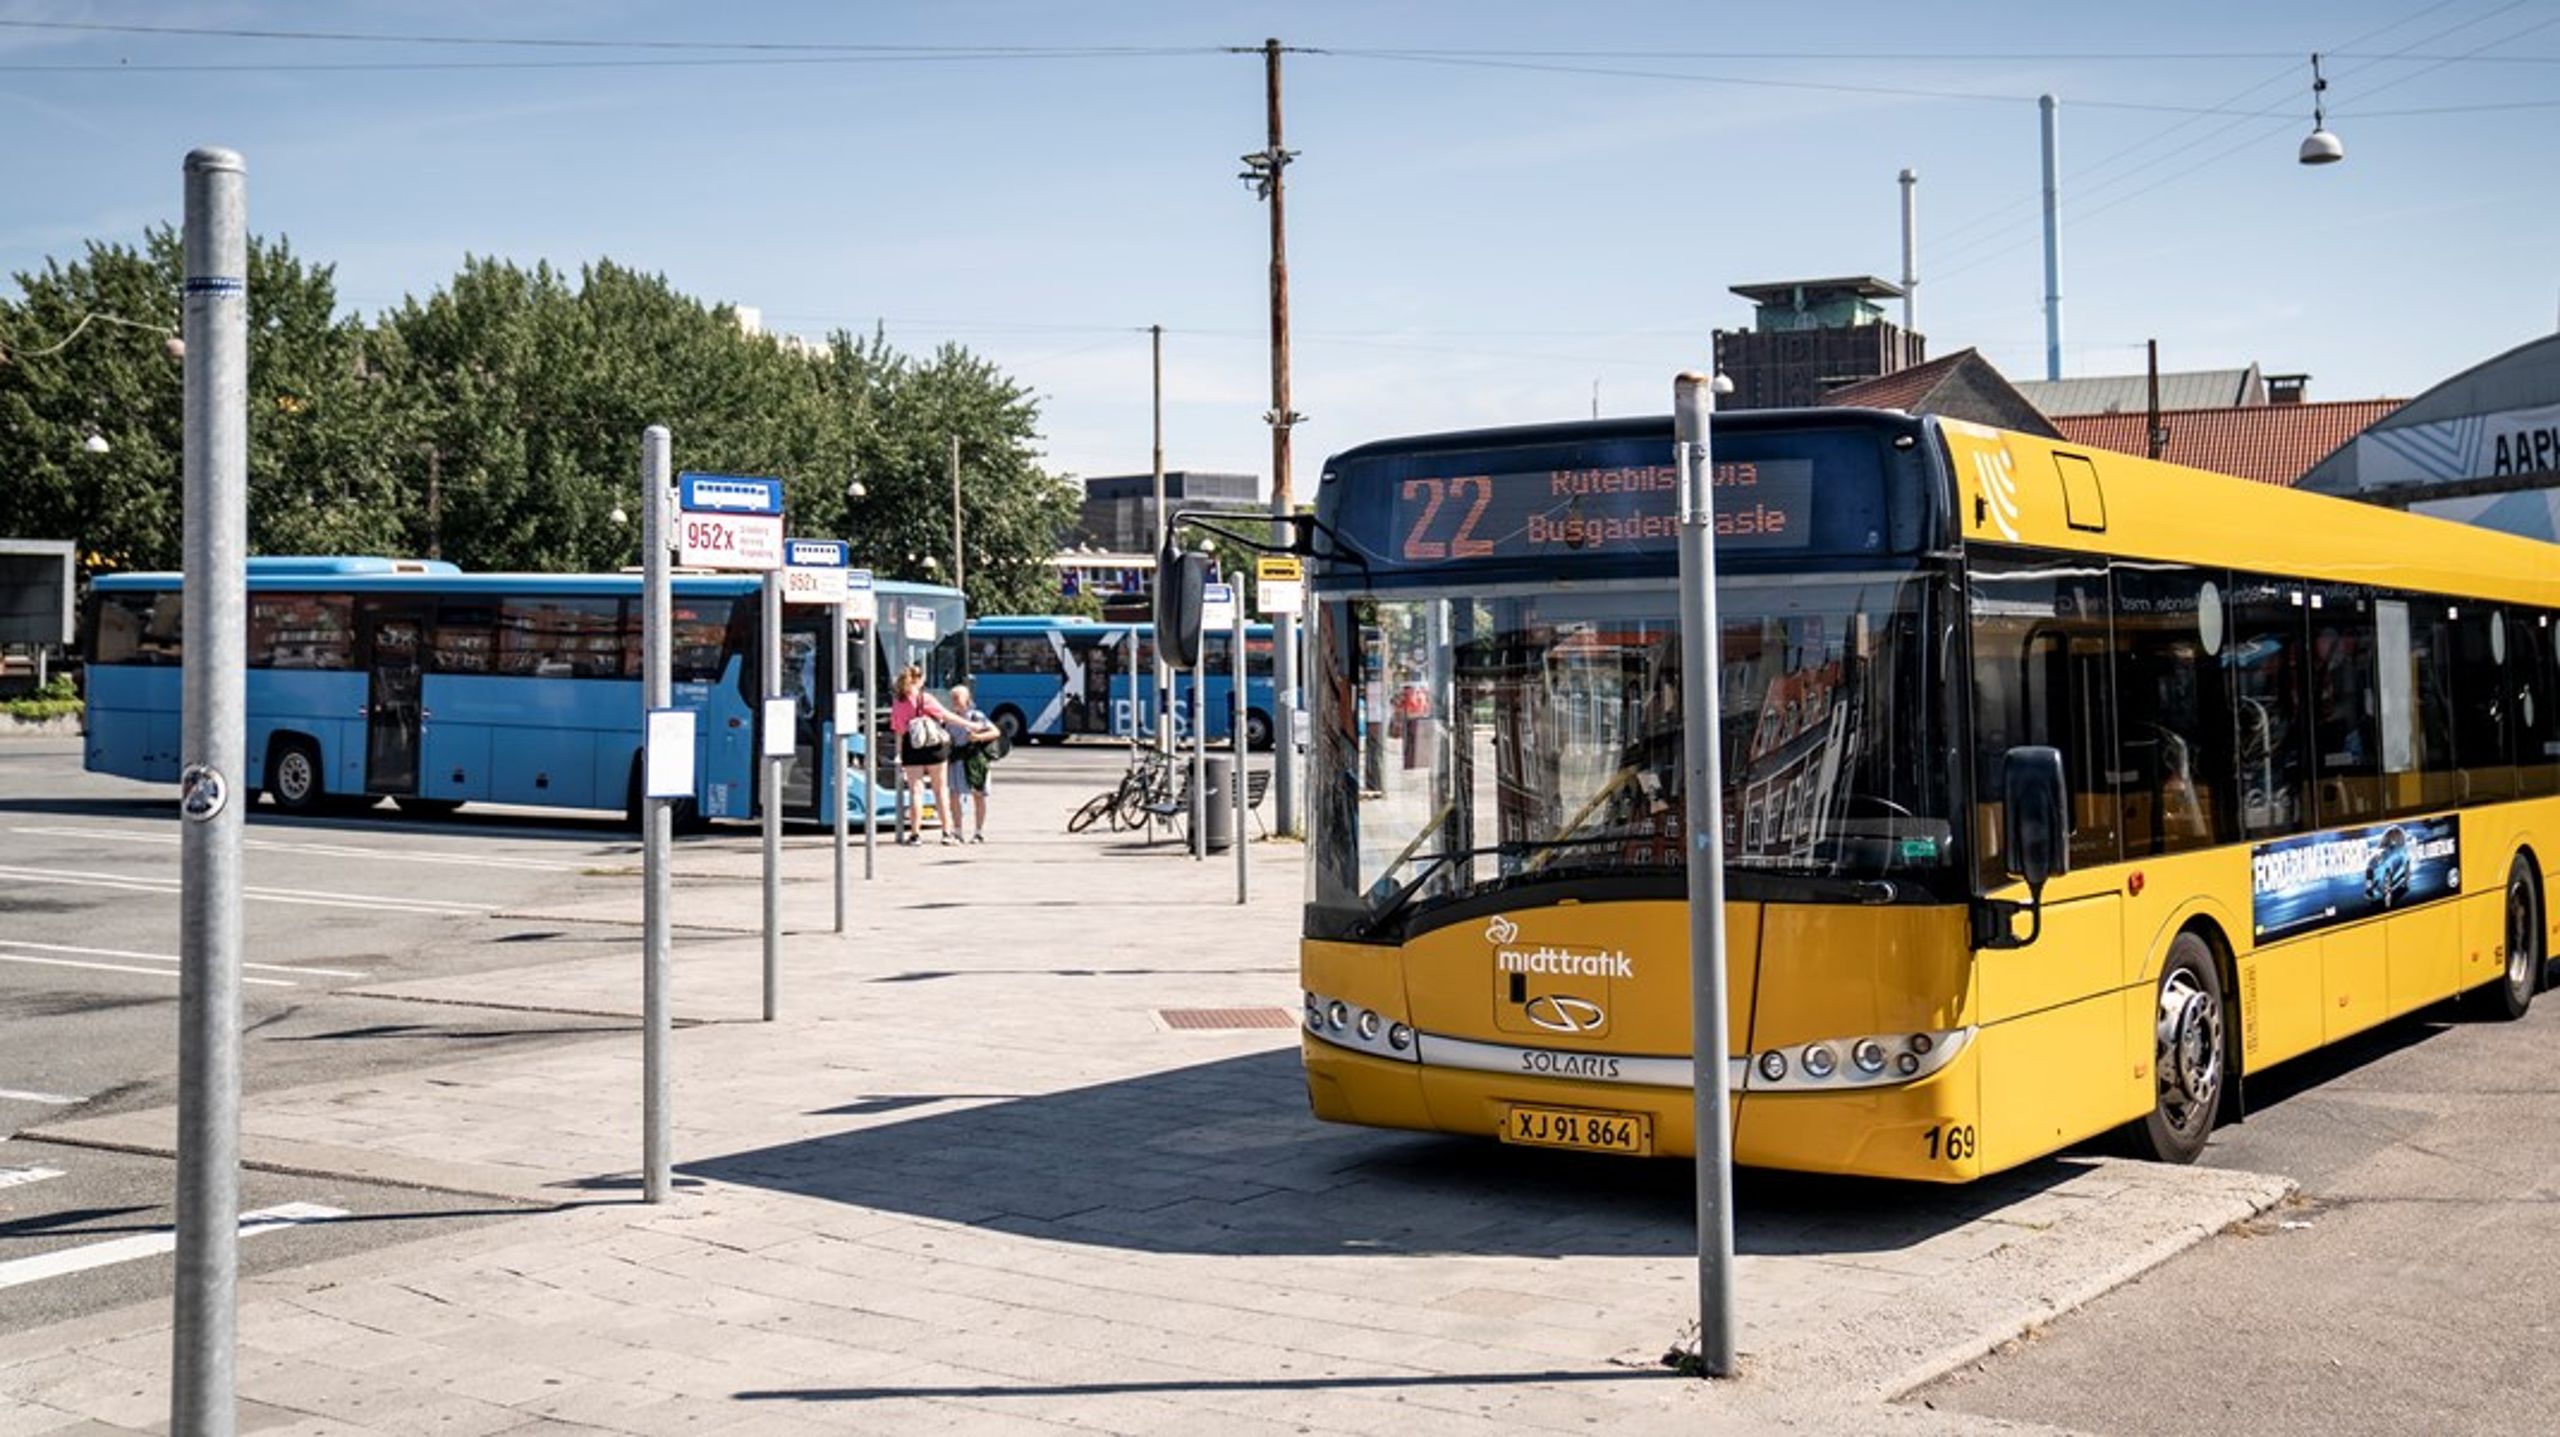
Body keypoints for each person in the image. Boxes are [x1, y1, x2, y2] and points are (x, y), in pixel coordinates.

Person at [889, 665, 960, 846]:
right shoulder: (925, 698)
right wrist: (970, 725)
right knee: (940, 791)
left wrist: (898, 754)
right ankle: (946, 833)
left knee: (915, 792)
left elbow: (898, 731)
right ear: (919, 680)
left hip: (911, 748)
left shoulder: (899, 702)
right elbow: (946, 716)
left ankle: (914, 835)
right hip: (934, 748)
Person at [942, 682, 1004, 843]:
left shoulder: (977, 716)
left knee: (978, 795)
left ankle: (978, 832)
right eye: (953, 697)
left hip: (975, 760)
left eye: (958, 697)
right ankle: (958, 832)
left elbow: (995, 732)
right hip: (956, 761)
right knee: (954, 796)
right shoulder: (949, 718)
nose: (955, 700)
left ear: (967, 699)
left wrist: (978, 737)